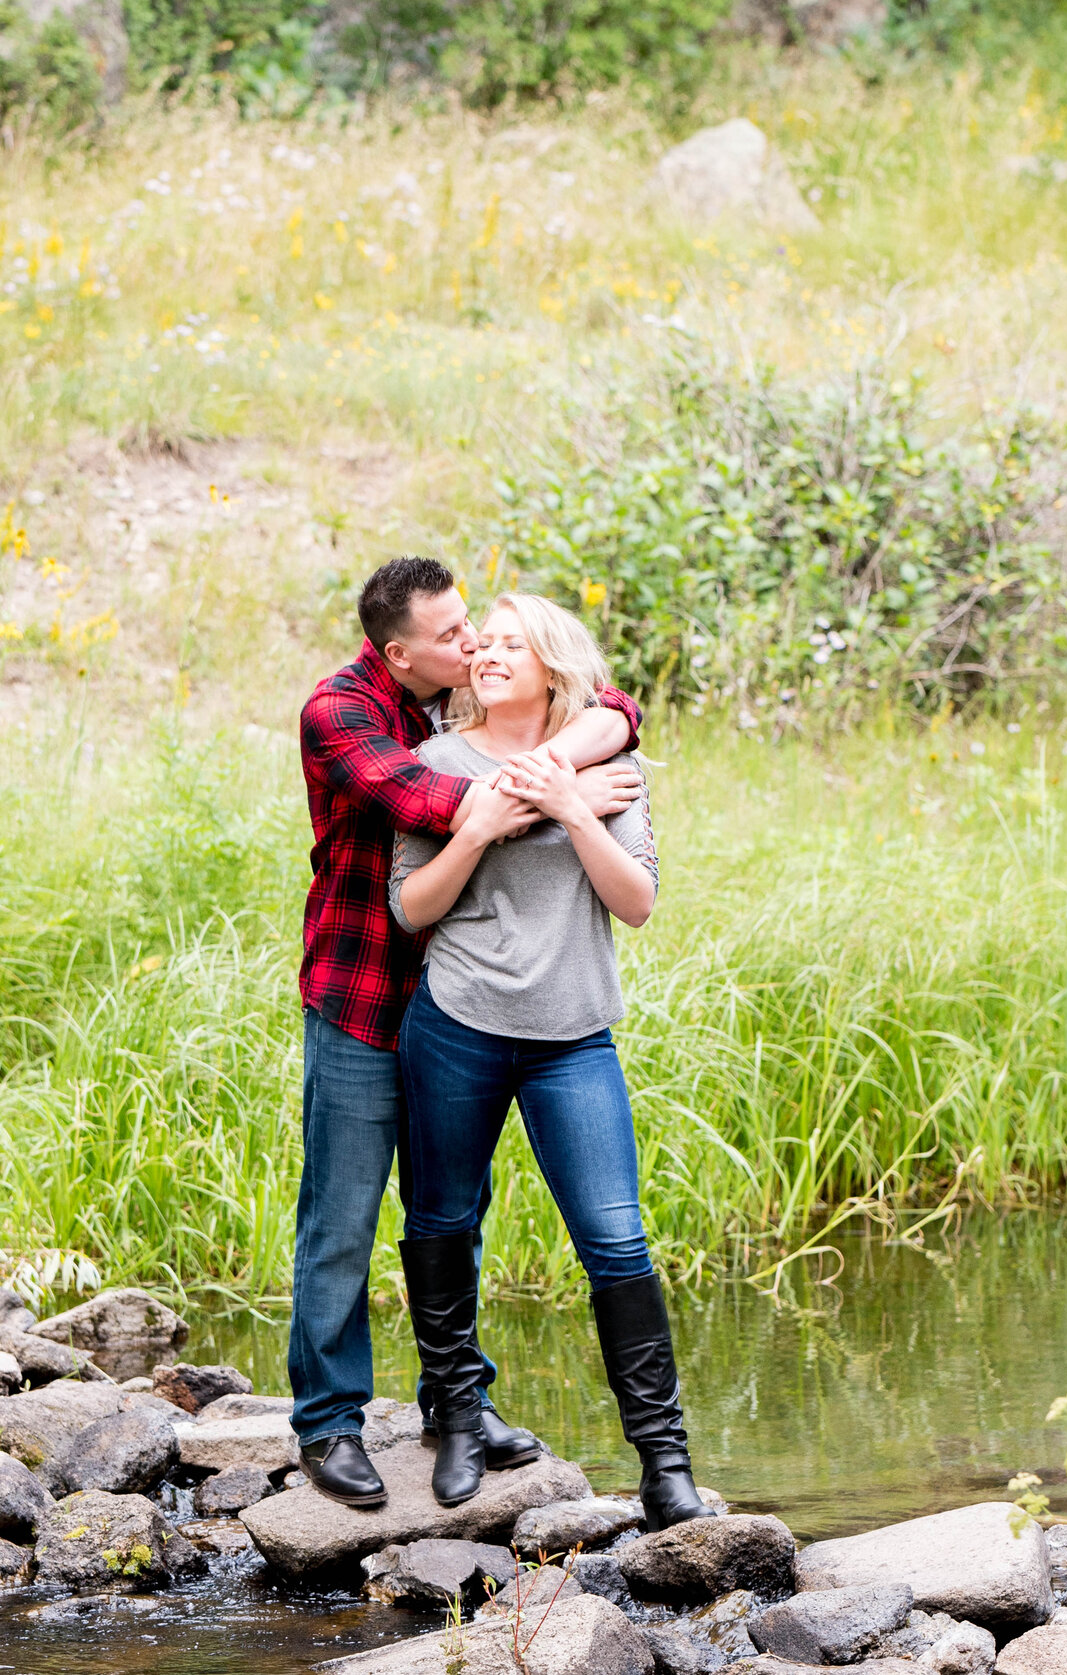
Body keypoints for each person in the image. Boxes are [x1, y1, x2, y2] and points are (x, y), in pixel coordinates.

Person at [291, 557, 646, 1509]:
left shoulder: (455, 706)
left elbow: (612, 701)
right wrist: (554, 784)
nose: (474, 644)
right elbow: (432, 801)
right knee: (345, 1213)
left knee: (454, 1209)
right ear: (397, 650)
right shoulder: (343, 713)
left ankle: (458, 1400)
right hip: (369, 992)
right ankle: (328, 1421)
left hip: (461, 1000)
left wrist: (566, 754)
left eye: (477, 631)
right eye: (455, 637)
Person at [388, 592, 714, 1530]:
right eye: (478, 646)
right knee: (442, 1215)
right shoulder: (435, 765)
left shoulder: (610, 761)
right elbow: (414, 908)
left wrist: (571, 807)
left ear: (553, 661)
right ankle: (456, 1417)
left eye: (508, 645)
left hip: (574, 1033)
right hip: (458, 1018)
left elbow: (638, 901)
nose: (486, 656)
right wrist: (479, 827)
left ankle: (665, 1464)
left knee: (615, 1239)